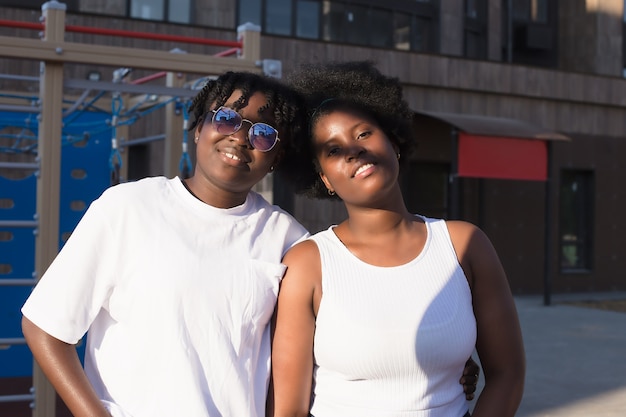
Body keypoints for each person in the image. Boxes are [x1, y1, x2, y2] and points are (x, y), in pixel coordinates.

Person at [20, 71, 312, 417]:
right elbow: (45, 326)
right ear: (199, 127)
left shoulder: (288, 239)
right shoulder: (127, 207)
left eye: (263, 133)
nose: (240, 137)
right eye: (227, 118)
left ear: (276, 157)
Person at [269, 61, 525, 417]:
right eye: (332, 150)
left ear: (394, 142)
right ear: (324, 179)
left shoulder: (465, 245)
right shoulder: (307, 263)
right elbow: (288, 411)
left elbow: (507, 374)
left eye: (363, 134)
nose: (352, 150)